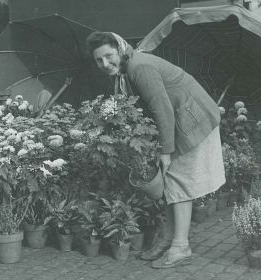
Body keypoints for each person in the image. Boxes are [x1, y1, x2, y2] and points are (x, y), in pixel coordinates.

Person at [86, 31, 225, 269]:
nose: (105, 64)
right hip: (182, 121)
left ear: (120, 49)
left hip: (193, 121)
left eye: (109, 56)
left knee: (179, 182)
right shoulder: (129, 67)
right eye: (99, 60)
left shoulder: (139, 67)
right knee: (171, 183)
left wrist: (164, 151)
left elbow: (162, 110)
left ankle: (181, 247)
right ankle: (169, 240)